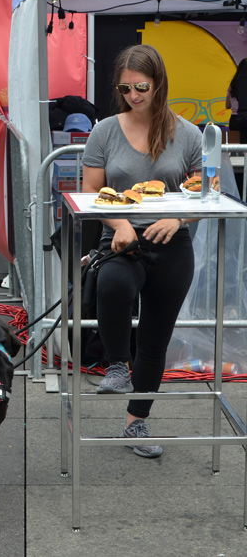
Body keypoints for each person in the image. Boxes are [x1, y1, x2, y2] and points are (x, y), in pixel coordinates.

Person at [82, 44, 202, 458]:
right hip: (120, 236)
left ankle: (137, 422)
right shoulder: (105, 131)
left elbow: (203, 190)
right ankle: (116, 364)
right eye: (126, 87)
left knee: (154, 339)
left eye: (142, 87)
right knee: (112, 283)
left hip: (172, 244)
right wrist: (118, 226)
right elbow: (92, 191)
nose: (134, 95)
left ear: (159, 83)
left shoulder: (187, 133)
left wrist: (179, 218)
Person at [227, 58, 247, 144]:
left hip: (236, 117)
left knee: (236, 145)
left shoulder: (233, 84)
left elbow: (227, 105)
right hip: (242, 114)